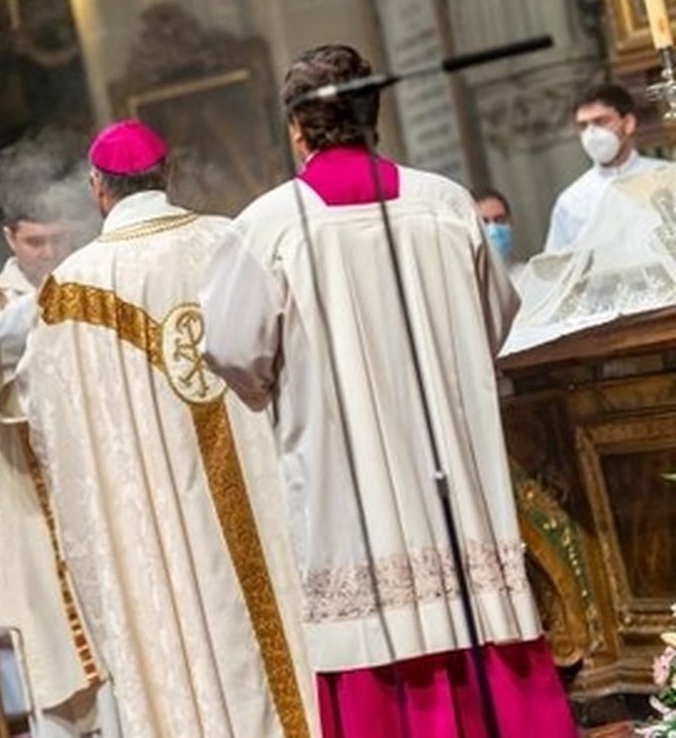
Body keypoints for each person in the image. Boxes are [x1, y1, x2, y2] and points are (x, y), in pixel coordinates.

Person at [200, 45, 576, 737]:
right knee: (479, 605)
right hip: (455, 480)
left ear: (297, 127)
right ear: (376, 112)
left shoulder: (269, 226)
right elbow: (497, 315)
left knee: (376, 629)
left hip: (351, 488)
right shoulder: (447, 204)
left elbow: (233, 351)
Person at [18, 120, 314, 738]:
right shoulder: (232, 239)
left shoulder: (71, 291)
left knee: (186, 635)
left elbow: (42, 407)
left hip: (158, 524)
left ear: (99, 188)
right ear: (169, 172)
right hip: (265, 499)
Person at [0, 186, 114, 736]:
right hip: (39, 515)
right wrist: (51, 300)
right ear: (9, 238)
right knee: (63, 687)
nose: (47, 252)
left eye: (57, 239)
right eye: (34, 241)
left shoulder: (94, 280)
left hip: (109, 504)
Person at [545, 83, 669, 253]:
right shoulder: (571, 201)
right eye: (583, 126)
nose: (592, 133)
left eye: (601, 122)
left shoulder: (667, 177)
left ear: (628, 123)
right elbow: (558, 270)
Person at [473, 187, 518, 271]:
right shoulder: (462, 282)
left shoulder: (529, 278)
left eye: (500, 220)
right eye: (484, 222)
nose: (493, 230)